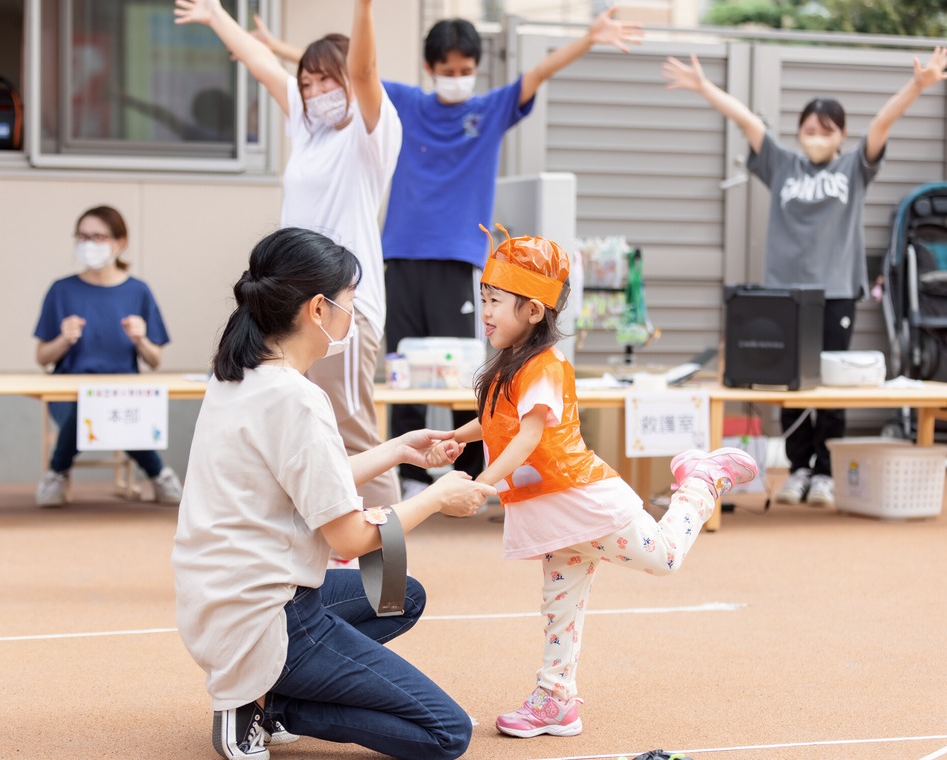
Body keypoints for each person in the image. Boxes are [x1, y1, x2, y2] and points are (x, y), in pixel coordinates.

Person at [251, 10, 643, 499]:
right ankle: (412, 471)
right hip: (399, 253)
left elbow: (538, 73)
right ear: (428, 66)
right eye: (446, 69)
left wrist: (589, 37)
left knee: (465, 372)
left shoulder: (491, 109)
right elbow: (351, 71)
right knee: (401, 364)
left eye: (464, 70)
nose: (455, 79)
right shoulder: (408, 103)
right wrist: (279, 49)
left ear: (476, 68)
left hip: (459, 256)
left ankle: (474, 470)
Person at [171, 227, 495, 760]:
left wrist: (399, 450)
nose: (354, 314)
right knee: (446, 732)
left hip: (221, 601)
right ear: (318, 309)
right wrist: (437, 499)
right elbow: (351, 534)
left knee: (400, 594)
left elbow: (310, 474)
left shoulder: (239, 378)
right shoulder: (296, 398)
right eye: (350, 301)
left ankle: (262, 689)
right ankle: (265, 704)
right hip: (268, 615)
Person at [438, 227, 757, 738]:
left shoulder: (545, 365)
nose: (486, 310)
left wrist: (481, 482)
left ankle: (701, 480)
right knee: (558, 606)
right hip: (553, 512)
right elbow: (498, 420)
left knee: (666, 558)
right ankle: (555, 699)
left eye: (496, 300)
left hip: (584, 501)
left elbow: (526, 436)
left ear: (534, 311)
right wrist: (456, 435)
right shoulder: (508, 366)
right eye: (484, 299)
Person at [662, 47, 947, 507]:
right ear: (799, 133)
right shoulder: (783, 166)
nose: (816, 137)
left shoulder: (853, 168)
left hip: (836, 290)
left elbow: (881, 125)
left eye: (826, 130)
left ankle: (825, 472)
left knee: (831, 383)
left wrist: (917, 84)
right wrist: (703, 86)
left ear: (841, 136)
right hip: (784, 294)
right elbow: (748, 123)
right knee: (790, 381)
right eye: (809, 130)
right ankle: (797, 468)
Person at [174, 0, 403, 508]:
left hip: (342, 305)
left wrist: (363, 9)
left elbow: (365, 69)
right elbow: (260, 64)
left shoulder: (371, 136)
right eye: (308, 84)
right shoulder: (307, 130)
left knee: (351, 426)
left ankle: (385, 553)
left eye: (327, 81)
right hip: (290, 298)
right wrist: (216, 17)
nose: (315, 93)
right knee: (286, 414)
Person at [33, 205, 182, 507]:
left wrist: (141, 340)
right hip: (68, 393)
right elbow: (42, 357)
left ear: (119, 242)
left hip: (124, 392)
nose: (89, 244)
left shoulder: (138, 291)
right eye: (83, 236)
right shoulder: (61, 290)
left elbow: (155, 361)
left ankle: (57, 473)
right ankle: (158, 474)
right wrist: (64, 339)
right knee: (88, 408)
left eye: (98, 236)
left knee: (109, 408)